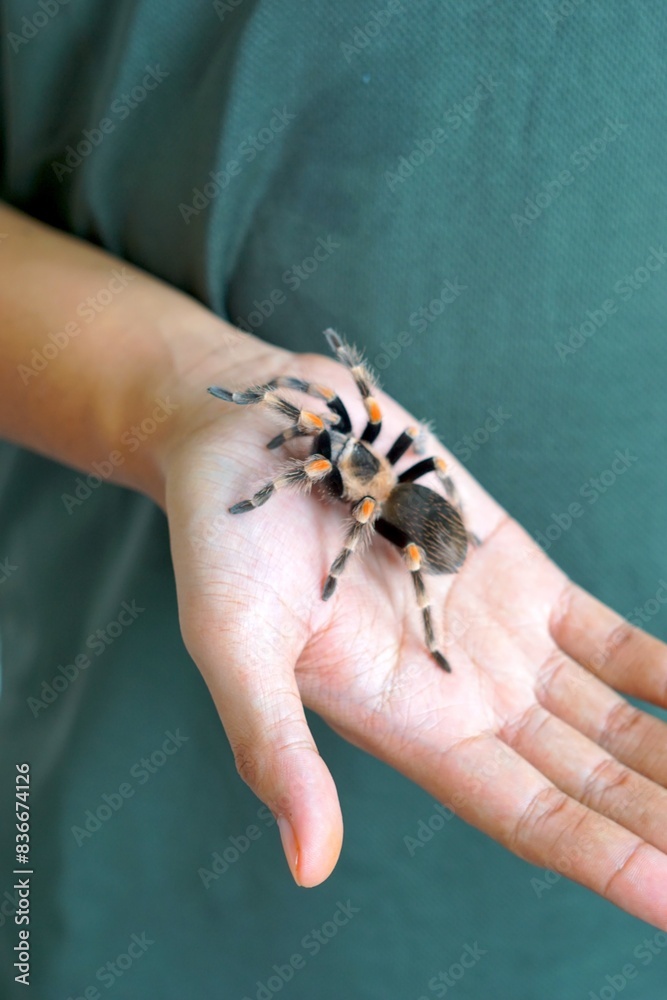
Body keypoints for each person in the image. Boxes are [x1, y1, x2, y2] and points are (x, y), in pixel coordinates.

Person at [1, 2, 666, 997]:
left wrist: (413, 602)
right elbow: (325, 418)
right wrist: (199, 401)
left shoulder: (363, 495)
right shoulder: (358, 452)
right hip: (106, 823)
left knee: (377, 527)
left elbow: (349, 514)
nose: (314, 453)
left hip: (577, 951)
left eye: (321, 454)